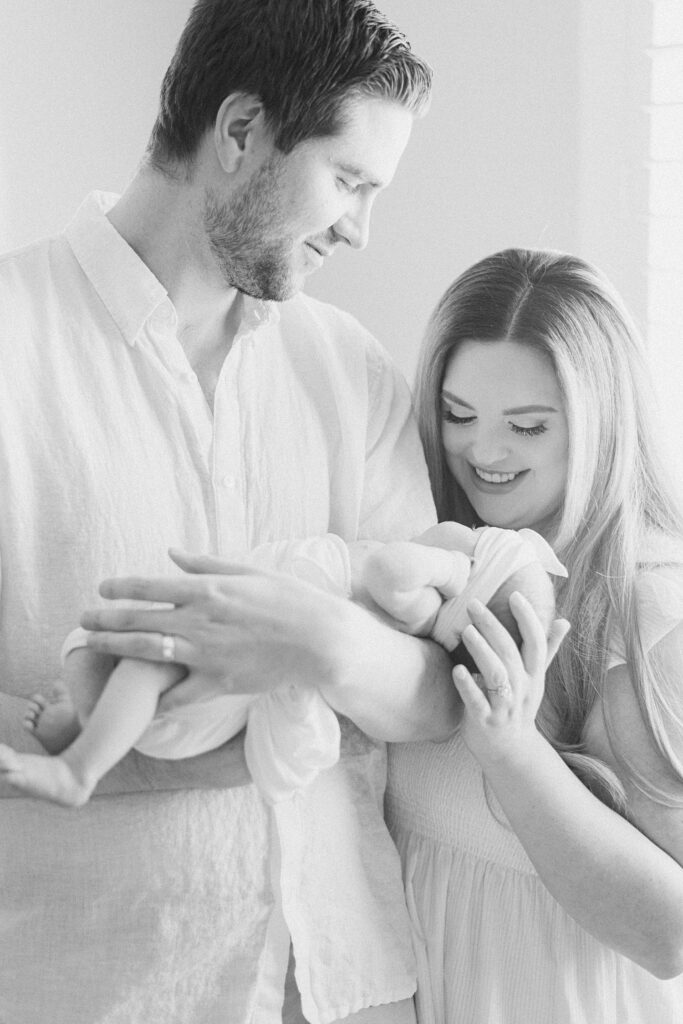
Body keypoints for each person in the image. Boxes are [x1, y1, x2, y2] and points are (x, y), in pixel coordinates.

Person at [0, 3, 465, 1022]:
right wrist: (251, 747)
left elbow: (433, 701)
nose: (359, 226)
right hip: (84, 988)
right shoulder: (12, 344)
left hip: (343, 987)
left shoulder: (347, 367)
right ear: (242, 130)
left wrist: (325, 644)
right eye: (347, 180)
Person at [381, 248, 683, 1023]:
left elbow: (668, 932)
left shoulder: (639, 604)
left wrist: (513, 751)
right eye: (457, 416)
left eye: (525, 426)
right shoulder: (435, 566)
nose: (483, 452)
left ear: (599, 424)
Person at [0, 524, 564, 809]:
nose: (463, 530)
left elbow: (391, 570)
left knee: (152, 656)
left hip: (221, 690)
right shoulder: (411, 632)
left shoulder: (418, 603)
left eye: (481, 546)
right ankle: (83, 719)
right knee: (107, 648)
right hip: (221, 708)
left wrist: (452, 562)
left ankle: (81, 764)